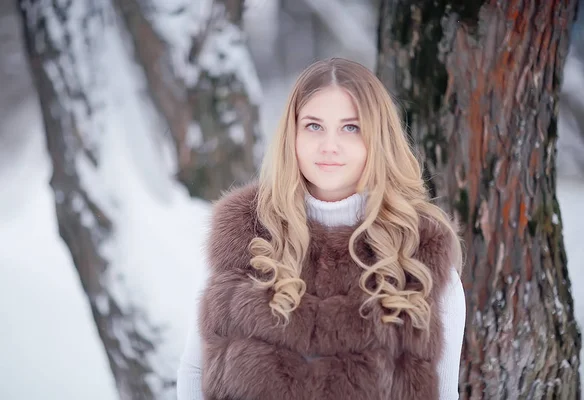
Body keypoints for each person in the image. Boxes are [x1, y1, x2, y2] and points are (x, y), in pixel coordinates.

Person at [177, 57, 466, 400]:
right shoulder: (242, 237)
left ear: (378, 138)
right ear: (293, 135)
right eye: (314, 126)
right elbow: (194, 372)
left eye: (351, 127)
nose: (329, 145)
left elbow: (443, 393)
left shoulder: (420, 255)